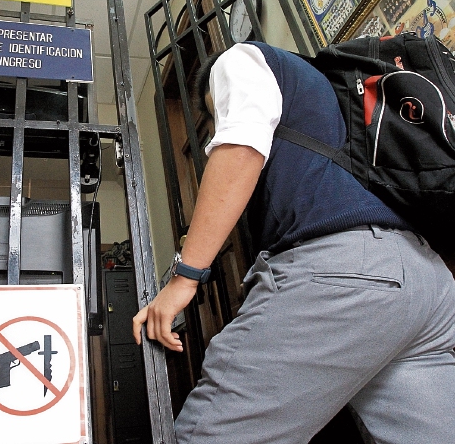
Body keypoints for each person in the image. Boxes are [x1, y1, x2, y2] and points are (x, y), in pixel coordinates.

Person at [132, 41, 455, 444]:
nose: (218, 124)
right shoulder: (327, 90)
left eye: (216, 115)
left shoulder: (240, 59)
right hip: (428, 284)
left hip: (349, 275)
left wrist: (185, 278)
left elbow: (241, 146)